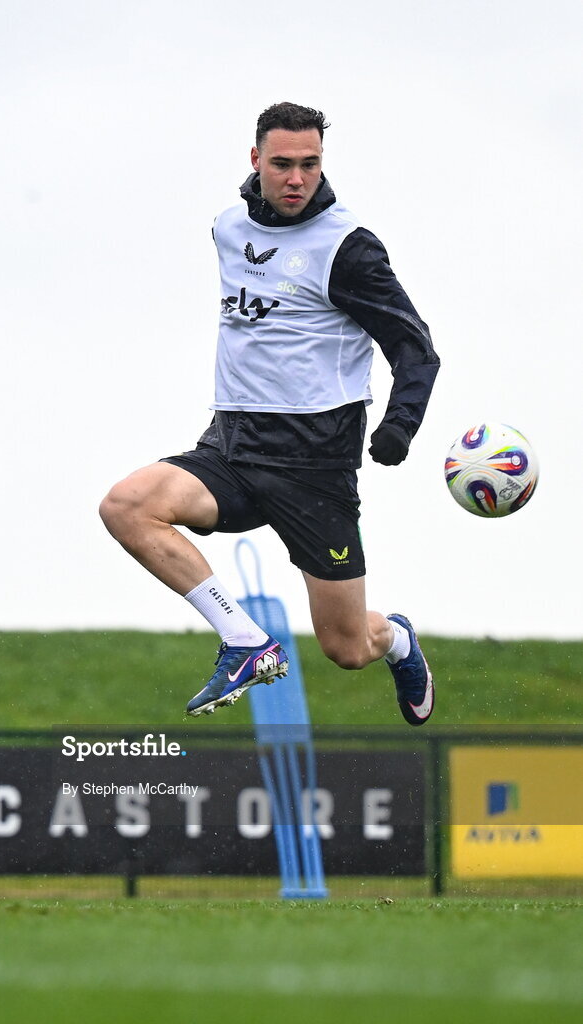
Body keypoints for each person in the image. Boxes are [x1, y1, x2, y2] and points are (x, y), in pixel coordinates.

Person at [100, 102, 440, 725]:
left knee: (346, 647)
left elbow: (415, 348)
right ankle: (245, 642)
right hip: (230, 446)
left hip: (314, 468)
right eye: (282, 164)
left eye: (309, 165)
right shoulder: (229, 227)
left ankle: (395, 639)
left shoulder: (348, 247)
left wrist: (399, 428)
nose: (296, 179)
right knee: (127, 505)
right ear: (255, 161)